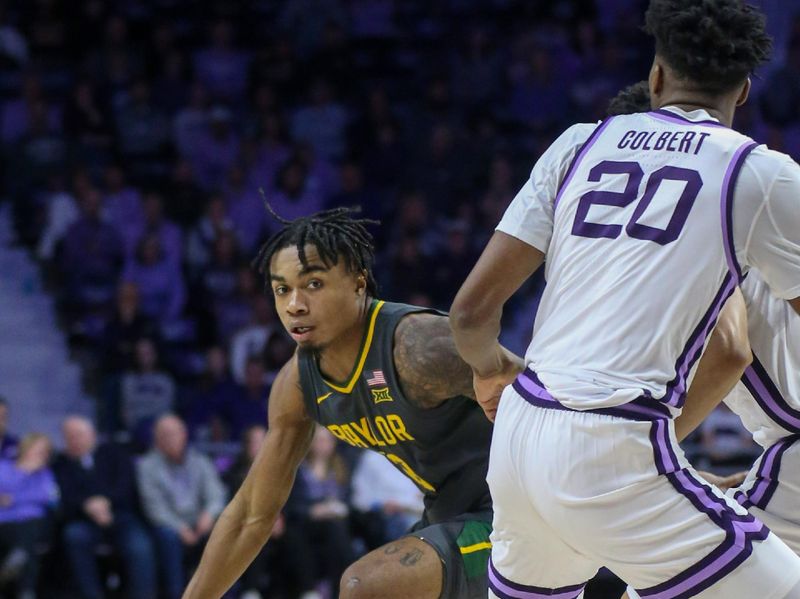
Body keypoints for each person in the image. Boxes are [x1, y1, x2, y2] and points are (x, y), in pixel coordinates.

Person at [449, 1, 800, 597]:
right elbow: (732, 347)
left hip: (519, 429)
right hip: (617, 440)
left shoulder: (579, 143)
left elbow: (469, 314)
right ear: (742, 92)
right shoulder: (758, 173)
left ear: (656, 77)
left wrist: (488, 371)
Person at [183, 207, 497, 599]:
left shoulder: (417, 346)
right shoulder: (296, 385)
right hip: (449, 514)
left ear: (358, 283)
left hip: (514, 515)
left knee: (366, 587)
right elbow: (251, 515)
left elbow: (538, 393)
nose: (294, 304)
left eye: (313, 284)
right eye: (283, 289)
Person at [53, 416, 157, 599]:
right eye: (69, 436)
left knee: (139, 545)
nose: (75, 440)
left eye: (79, 435)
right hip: (83, 519)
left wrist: (105, 502)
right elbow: (63, 497)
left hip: (120, 515)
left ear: (93, 435)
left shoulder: (114, 453)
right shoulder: (60, 463)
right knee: (74, 536)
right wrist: (87, 506)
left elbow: (126, 486)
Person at [137, 414, 227, 599]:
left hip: (199, 520)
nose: (170, 439)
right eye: (164, 435)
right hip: (169, 524)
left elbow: (216, 495)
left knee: (222, 530)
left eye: (174, 433)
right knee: (168, 537)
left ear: (184, 434)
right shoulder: (147, 466)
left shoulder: (200, 461)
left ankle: (222, 593)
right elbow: (154, 508)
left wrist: (208, 515)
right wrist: (180, 528)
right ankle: (176, 594)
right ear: (156, 439)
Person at [0, 433, 58, 599]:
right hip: (4, 521)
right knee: (27, 546)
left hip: (32, 521)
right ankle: (25, 591)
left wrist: (13, 499)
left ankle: (18, 574)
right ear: (26, 448)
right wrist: (24, 471)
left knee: (30, 532)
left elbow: (46, 497)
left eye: (45, 452)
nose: (42, 456)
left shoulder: (45, 474)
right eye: (38, 450)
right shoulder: (4, 467)